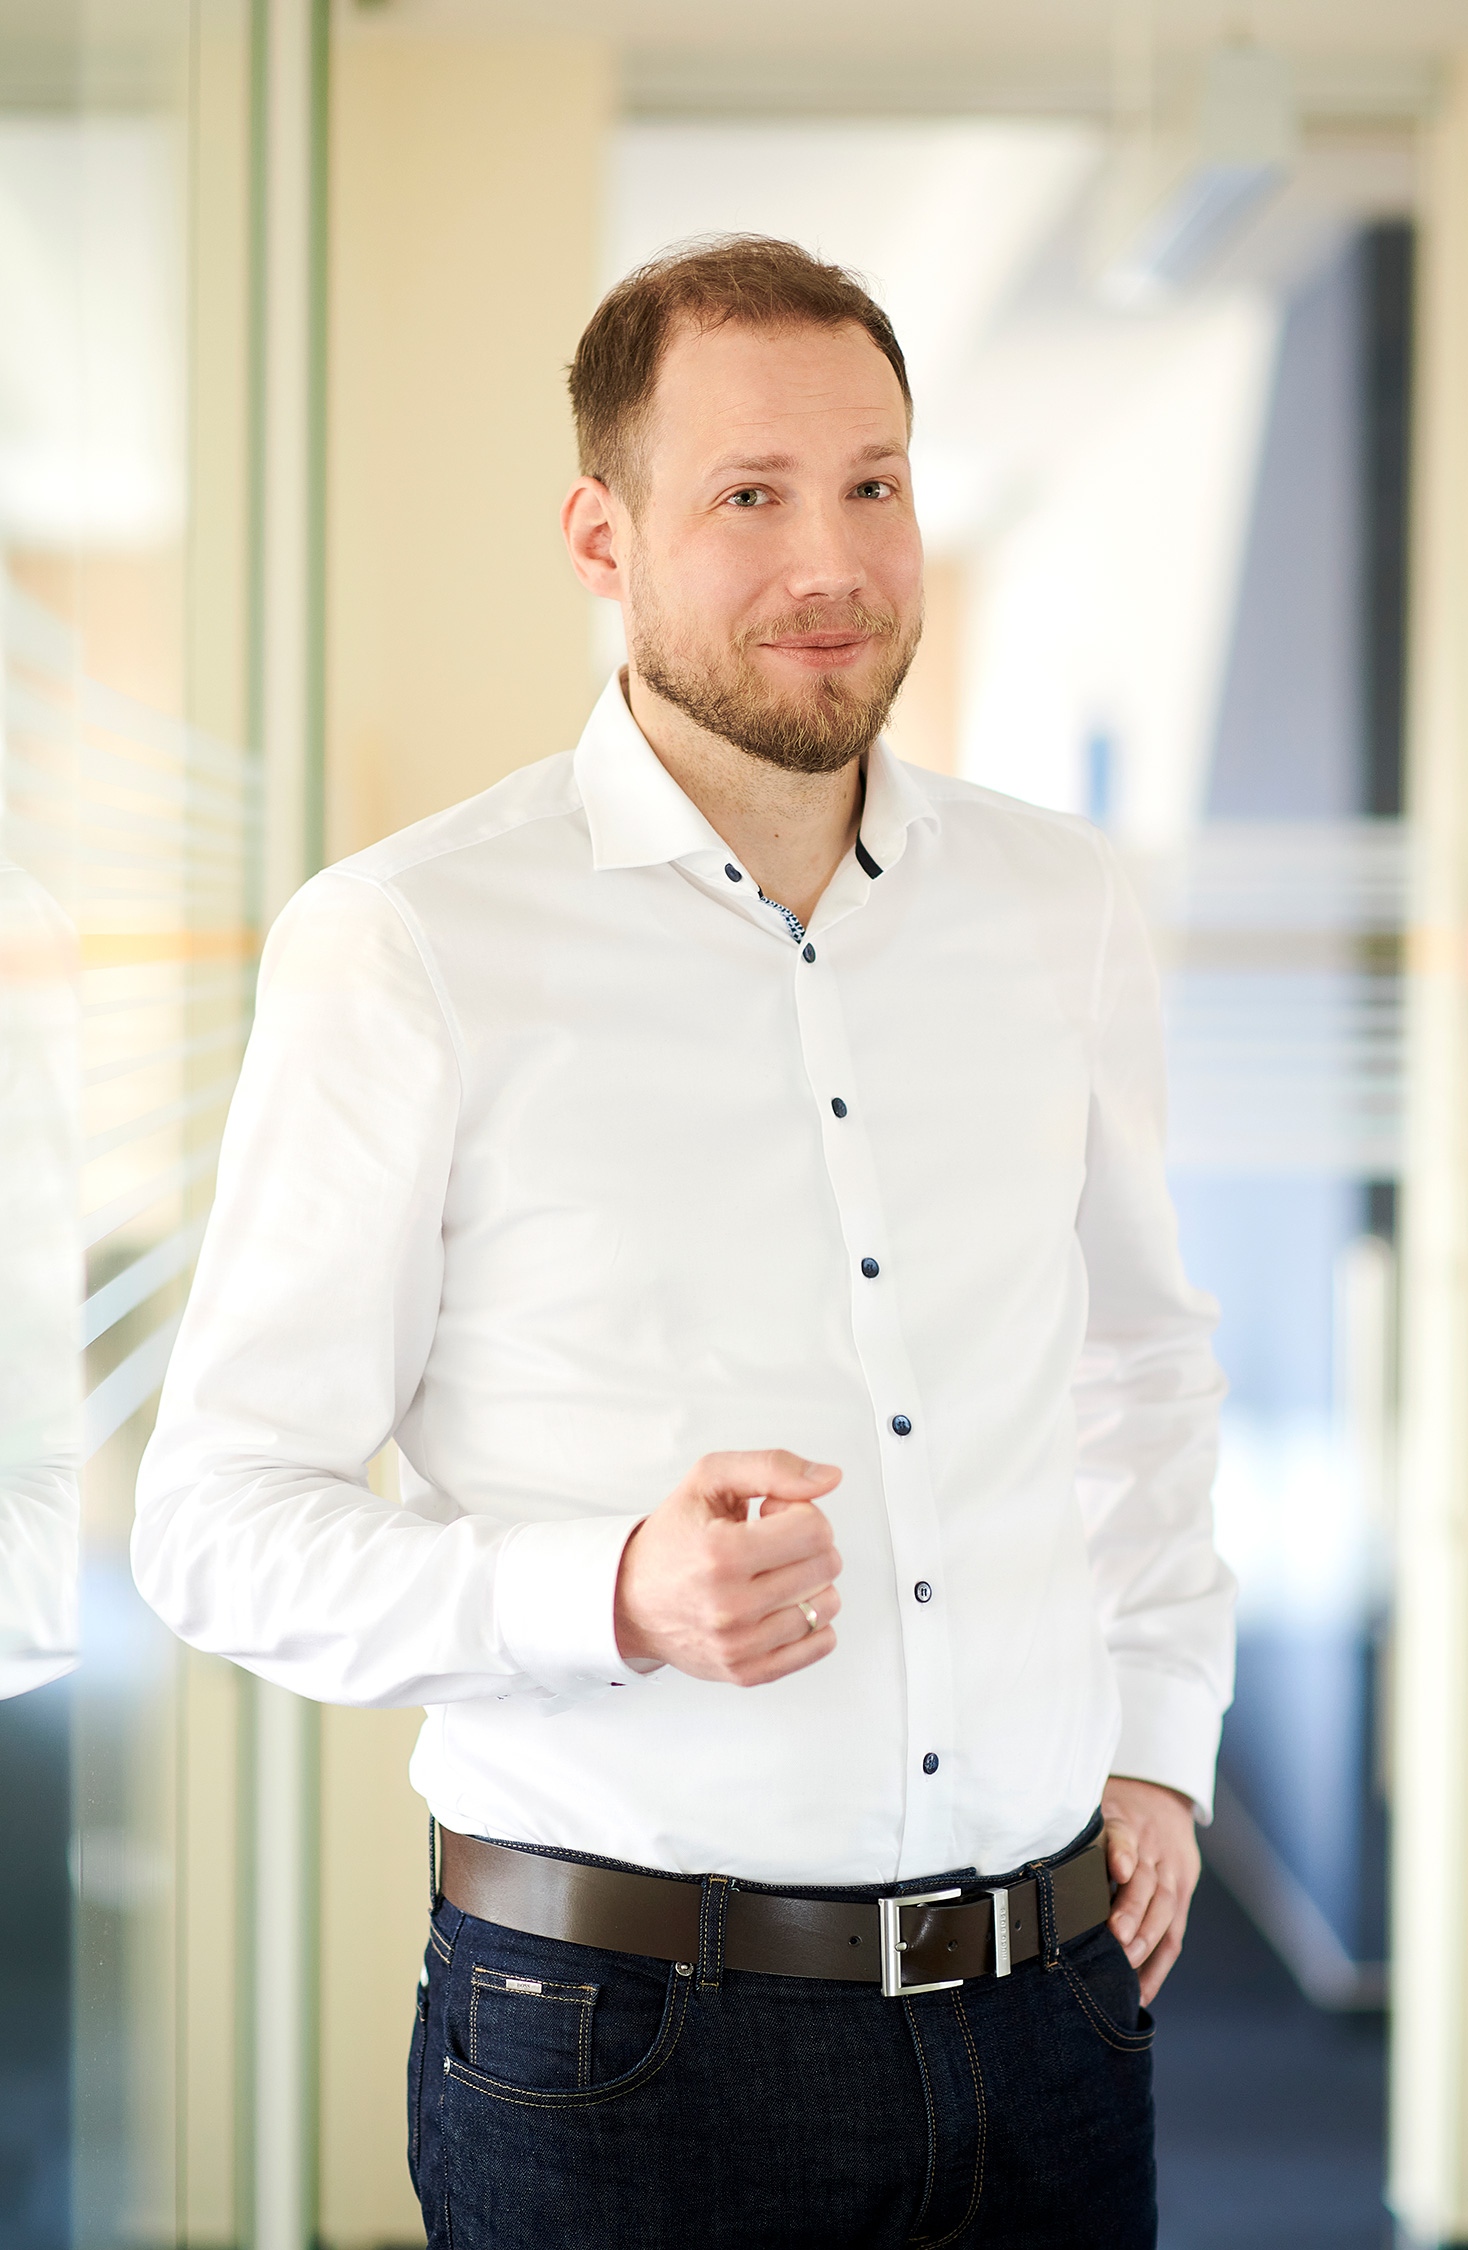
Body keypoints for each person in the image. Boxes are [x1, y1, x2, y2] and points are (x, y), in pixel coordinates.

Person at [133, 235, 1234, 2249]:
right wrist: (613, 1594)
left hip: (1055, 2022)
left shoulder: (1057, 905)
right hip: (624, 2059)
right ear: (602, 536)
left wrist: (1159, 1740)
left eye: (874, 484)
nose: (833, 561)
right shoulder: (409, 945)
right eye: (749, 495)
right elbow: (215, 1524)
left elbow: (1137, 1362)